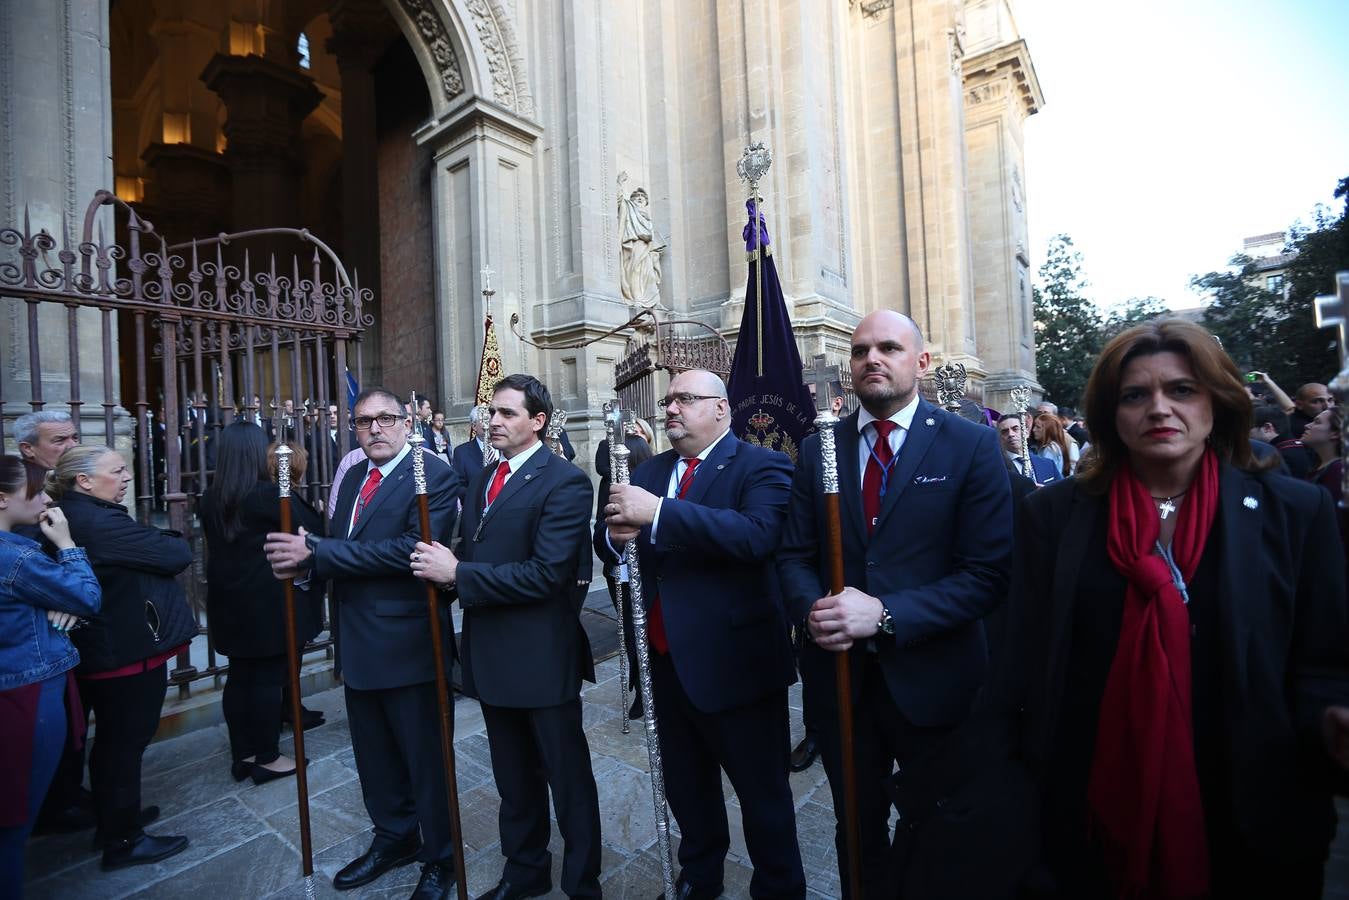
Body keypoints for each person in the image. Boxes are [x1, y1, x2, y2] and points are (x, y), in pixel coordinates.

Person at [998, 319, 1349, 898]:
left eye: (1182, 390)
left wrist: (1329, 717)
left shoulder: (1296, 510)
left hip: (1251, 812)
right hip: (1089, 808)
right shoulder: (1054, 516)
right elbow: (1023, 660)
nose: (1159, 408)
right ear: (1111, 412)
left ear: (1218, 401)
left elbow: (1323, 663)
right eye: (1135, 395)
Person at [777, 310, 1014, 897]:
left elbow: (987, 576)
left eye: (888, 348)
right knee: (856, 831)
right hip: (842, 683)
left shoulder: (971, 446)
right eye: (860, 351)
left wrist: (885, 615)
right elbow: (792, 555)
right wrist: (814, 611)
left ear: (921, 362)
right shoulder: (819, 449)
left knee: (939, 826)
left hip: (935, 683)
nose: (872, 360)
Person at [597, 369, 805, 899]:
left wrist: (659, 514)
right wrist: (615, 536)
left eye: (685, 399)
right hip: (664, 664)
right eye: (668, 400)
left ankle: (779, 886)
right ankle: (700, 873)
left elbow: (757, 536)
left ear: (720, 408)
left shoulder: (764, 465)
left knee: (763, 798)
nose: (671, 408)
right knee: (686, 788)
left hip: (736, 665)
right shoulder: (650, 471)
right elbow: (616, 540)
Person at [264, 388, 462, 899]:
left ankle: (441, 857)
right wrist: (307, 564)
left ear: (406, 422)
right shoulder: (352, 476)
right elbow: (345, 547)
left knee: (425, 759)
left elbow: (409, 551)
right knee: (374, 756)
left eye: (385, 419)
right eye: (363, 421)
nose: (374, 428)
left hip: (411, 642)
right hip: (357, 639)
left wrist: (317, 552)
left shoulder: (432, 475)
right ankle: (394, 837)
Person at [410, 374, 601, 900]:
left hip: (541, 658)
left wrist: (458, 576)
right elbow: (471, 555)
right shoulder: (480, 478)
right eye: (492, 411)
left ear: (538, 422)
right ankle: (525, 873)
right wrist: (446, 578)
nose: (493, 420)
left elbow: (547, 574)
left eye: (508, 413)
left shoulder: (564, 481)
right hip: (490, 654)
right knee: (513, 783)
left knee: (568, 782)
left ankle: (583, 884)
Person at [51, 445, 195, 869]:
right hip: (124, 650)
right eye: (117, 471)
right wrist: (159, 539)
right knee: (122, 744)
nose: (126, 477)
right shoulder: (96, 521)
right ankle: (123, 840)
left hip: (110, 645)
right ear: (85, 481)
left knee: (116, 743)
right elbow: (175, 553)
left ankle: (117, 818)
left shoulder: (76, 513)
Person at [201, 425, 324, 785]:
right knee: (269, 680)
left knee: (239, 677)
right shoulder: (268, 496)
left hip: (228, 602)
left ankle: (244, 754)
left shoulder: (210, 497)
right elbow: (311, 528)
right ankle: (268, 757)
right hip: (266, 603)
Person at [0, 456, 101, 892]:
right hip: (27, 689)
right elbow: (86, 596)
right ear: (3, 498)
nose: (45, 499)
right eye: (36, 491)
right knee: (14, 818)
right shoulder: (15, 556)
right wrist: (66, 544)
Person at [592, 416, 654, 719]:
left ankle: (653, 688)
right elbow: (601, 534)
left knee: (647, 633)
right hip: (621, 575)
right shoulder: (610, 488)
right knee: (630, 634)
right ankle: (641, 690)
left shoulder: (654, 482)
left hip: (649, 576)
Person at [997, 413, 1061, 485]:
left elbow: (1061, 491)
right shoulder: (997, 469)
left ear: (1026, 432)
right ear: (1000, 438)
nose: (1011, 434)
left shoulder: (1048, 465)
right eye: (1005, 432)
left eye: (1015, 429)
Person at [14, 411, 80, 472]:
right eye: (60, 440)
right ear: (28, 449)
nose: (73, 446)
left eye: (75, 438)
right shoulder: (17, 482)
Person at [1304, 408, 1343, 508]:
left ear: (1335, 433)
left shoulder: (1338, 471)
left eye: (1317, 422)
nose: (1307, 425)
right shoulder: (1318, 464)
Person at [450, 406, 489, 488]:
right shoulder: (461, 453)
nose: (489, 424)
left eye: (490, 419)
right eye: (484, 420)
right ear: (474, 426)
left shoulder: (505, 448)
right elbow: (459, 486)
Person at [1033, 412, 1079, 477]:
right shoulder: (1051, 446)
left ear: (1049, 429)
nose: (1034, 430)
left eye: (1038, 427)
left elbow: (1045, 474)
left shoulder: (1050, 449)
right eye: (1034, 426)